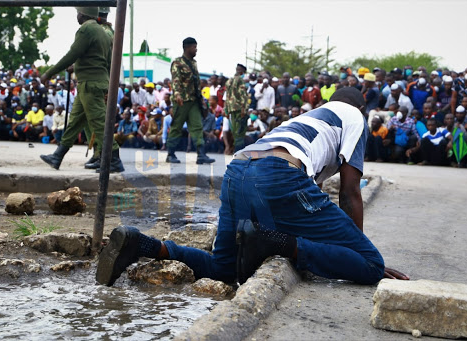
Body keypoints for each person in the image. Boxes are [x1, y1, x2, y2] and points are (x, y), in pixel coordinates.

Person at [95, 87, 408, 287]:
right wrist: (355, 252)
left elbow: (304, 205)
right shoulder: (355, 117)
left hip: (238, 170)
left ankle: (144, 245)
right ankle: (275, 243)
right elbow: (350, 191)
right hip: (278, 174)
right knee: (371, 264)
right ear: (361, 107)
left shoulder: (308, 117)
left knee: (222, 269)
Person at [39, 7, 124, 173]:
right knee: (75, 121)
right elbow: (106, 60)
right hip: (94, 82)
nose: (77, 15)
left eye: (78, 12)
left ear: (83, 14)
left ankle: (114, 158)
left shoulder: (86, 29)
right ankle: (58, 155)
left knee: (98, 122)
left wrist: (49, 73)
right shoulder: (103, 31)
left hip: (89, 84)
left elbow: (73, 54)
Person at [165, 37, 214, 165]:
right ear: (187, 47)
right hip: (181, 100)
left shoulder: (193, 63)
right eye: (194, 47)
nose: (196, 50)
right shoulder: (177, 63)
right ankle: (170, 154)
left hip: (193, 101)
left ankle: (201, 154)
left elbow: (196, 83)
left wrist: (202, 99)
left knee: (197, 126)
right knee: (176, 127)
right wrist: (177, 94)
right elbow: (175, 80)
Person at [225, 63, 249, 152]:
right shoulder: (241, 80)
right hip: (239, 108)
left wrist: (226, 109)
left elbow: (227, 96)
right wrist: (244, 109)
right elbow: (243, 96)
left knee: (235, 131)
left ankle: (236, 151)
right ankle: (238, 152)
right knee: (240, 131)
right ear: (243, 72)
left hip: (231, 108)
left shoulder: (229, 81)